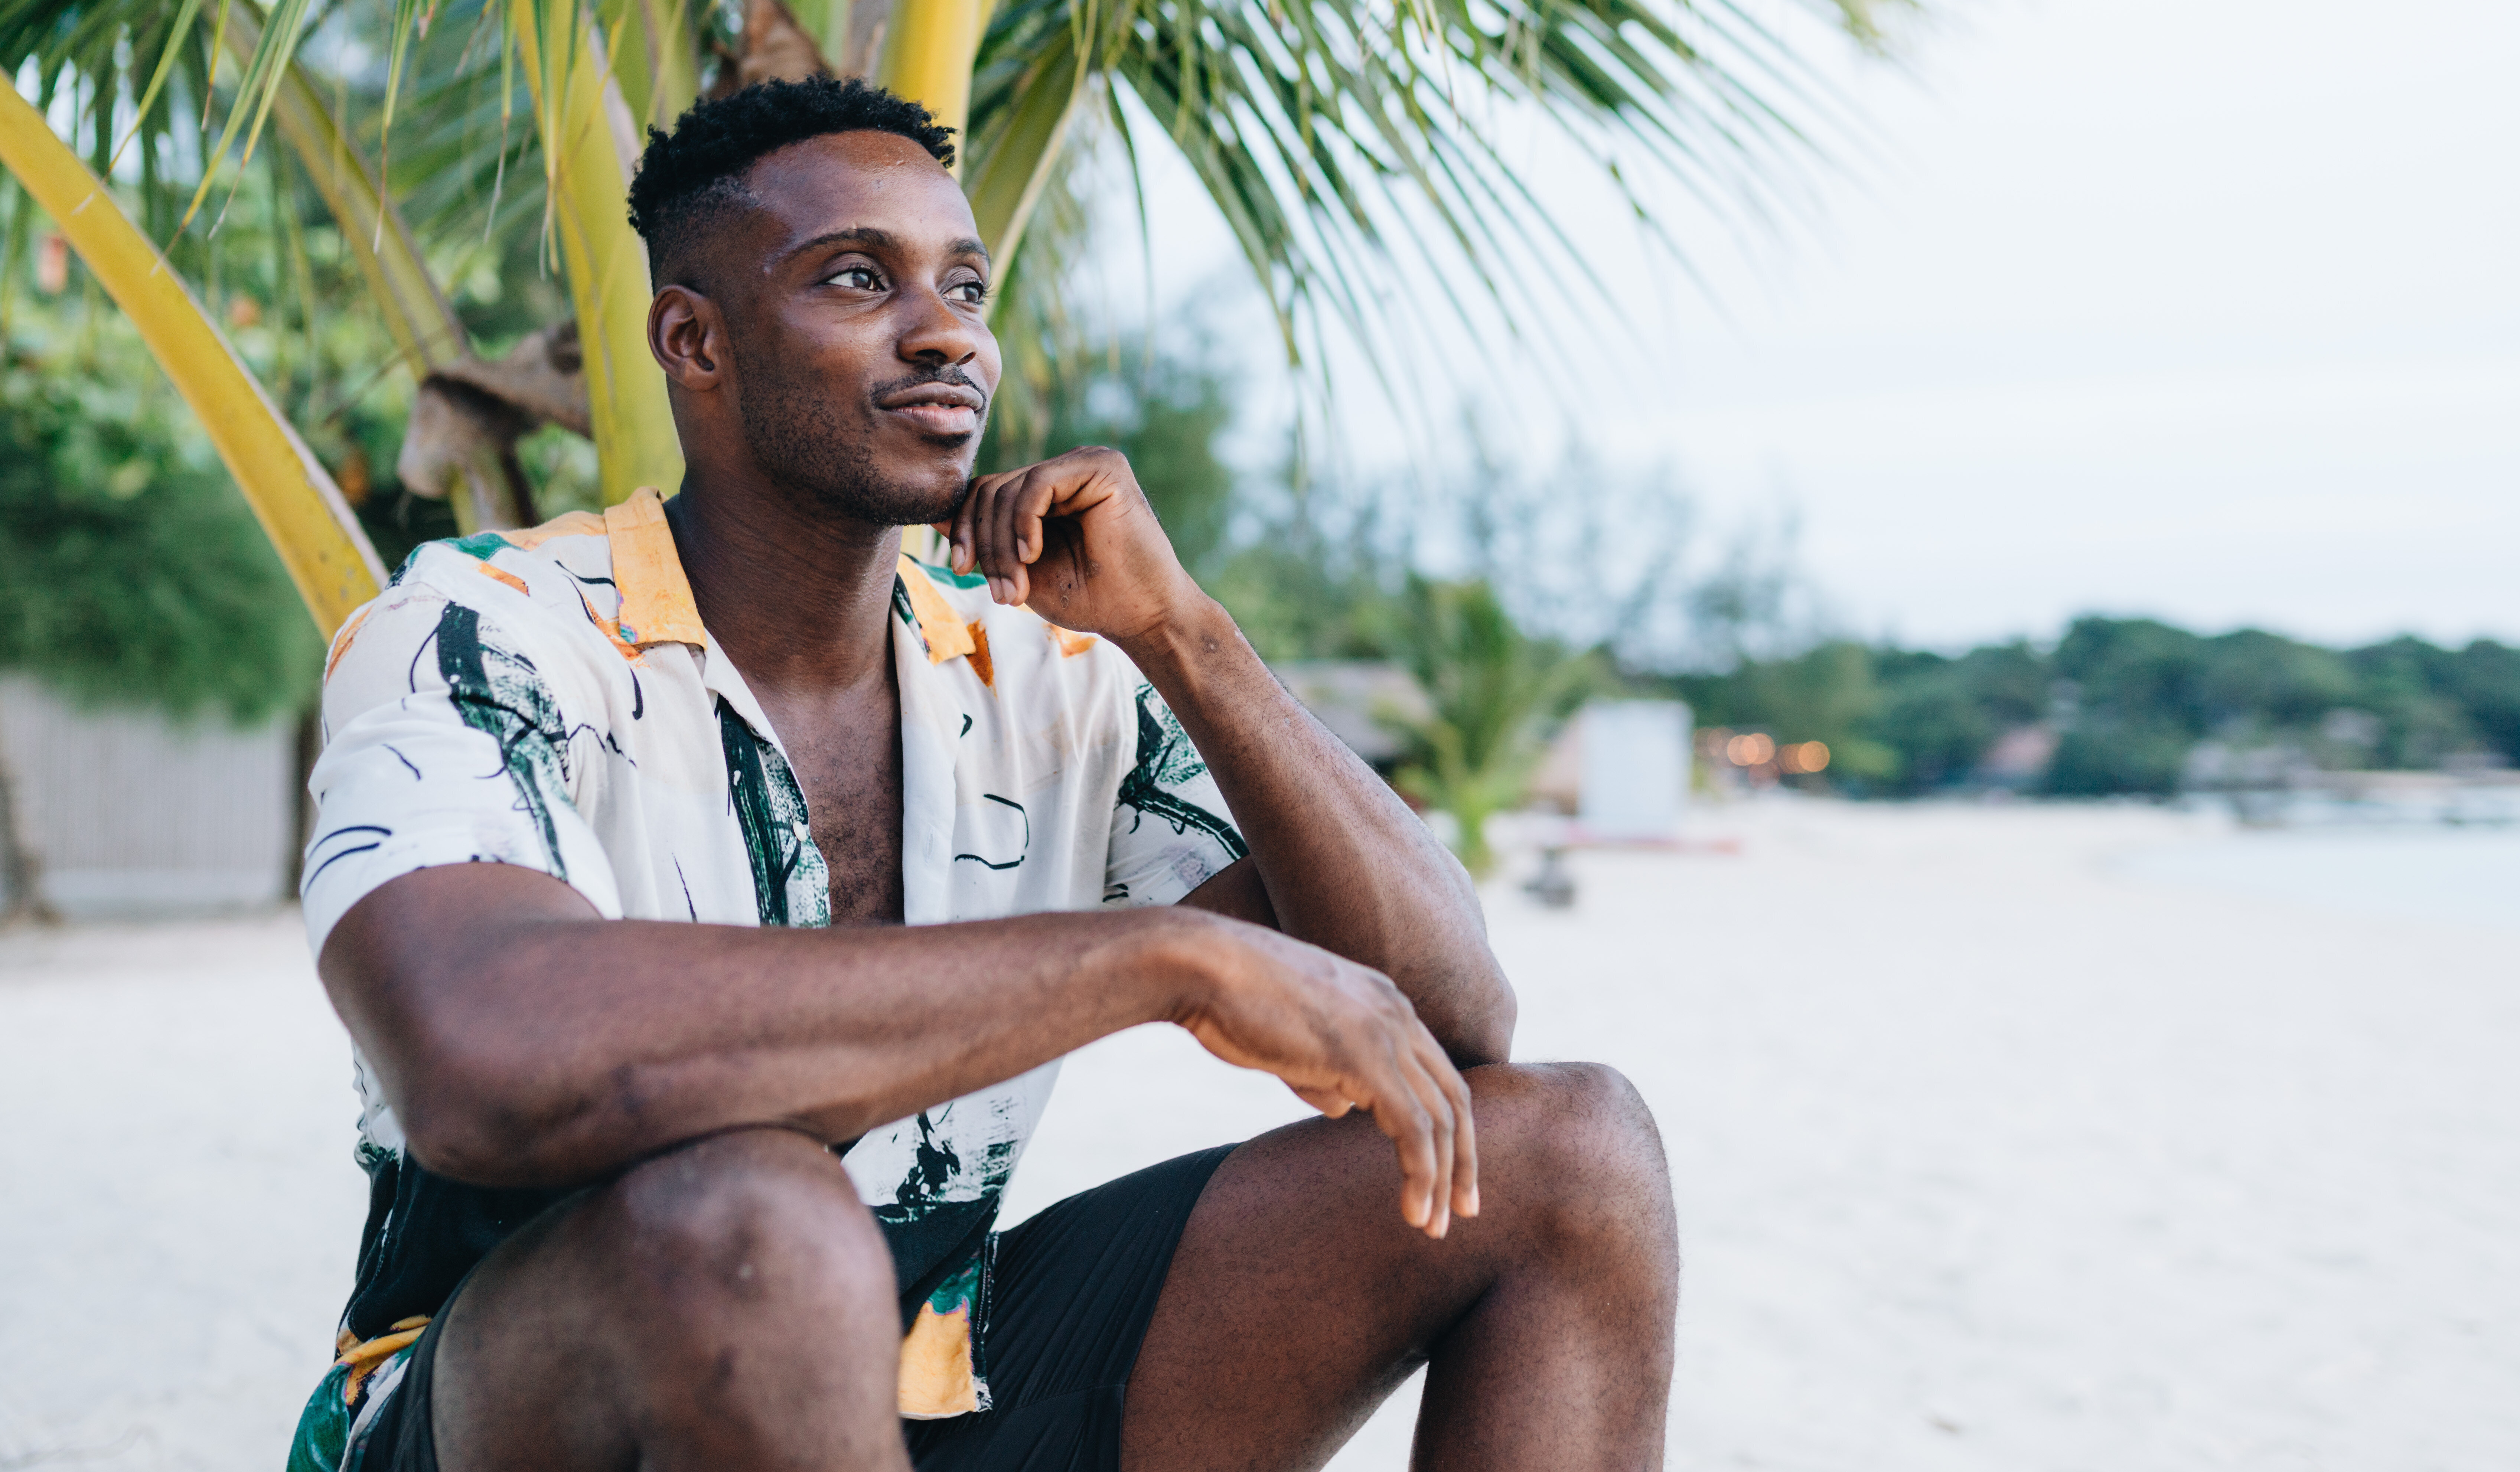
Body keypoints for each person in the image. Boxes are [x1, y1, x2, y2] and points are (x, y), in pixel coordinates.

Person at [287, 75, 1676, 1472]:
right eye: (855, 278)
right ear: (693, 341)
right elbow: (478, 1056)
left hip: (928, 1377)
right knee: (758, 1225)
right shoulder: (488, 630)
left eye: (964, 284)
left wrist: (1185, 633)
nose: (945, 330)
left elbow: (1446, 1024)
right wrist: (1152, 958)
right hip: (537, 1404)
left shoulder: (1041, 677)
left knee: (1573, 1157)